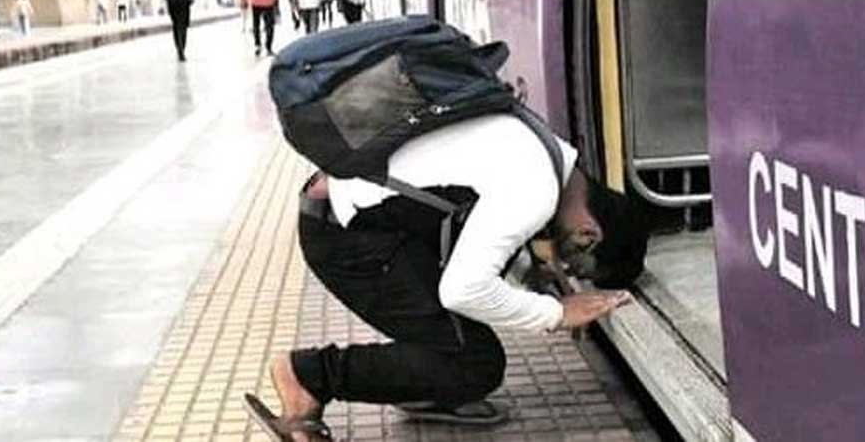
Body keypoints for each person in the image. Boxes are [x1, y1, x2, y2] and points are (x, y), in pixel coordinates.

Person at [245, 115, 649, 439]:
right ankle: (309, 375)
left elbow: (473, 217)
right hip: (348, 240)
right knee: (476, 363)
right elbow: (464, 289)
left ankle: (424, 387)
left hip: (357, 215)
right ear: (588, 236)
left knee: (459, 339)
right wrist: (555, 313)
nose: (570, 272)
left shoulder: (550, 152)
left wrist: (533, 275)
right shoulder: (536, 190)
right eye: (579, 267)